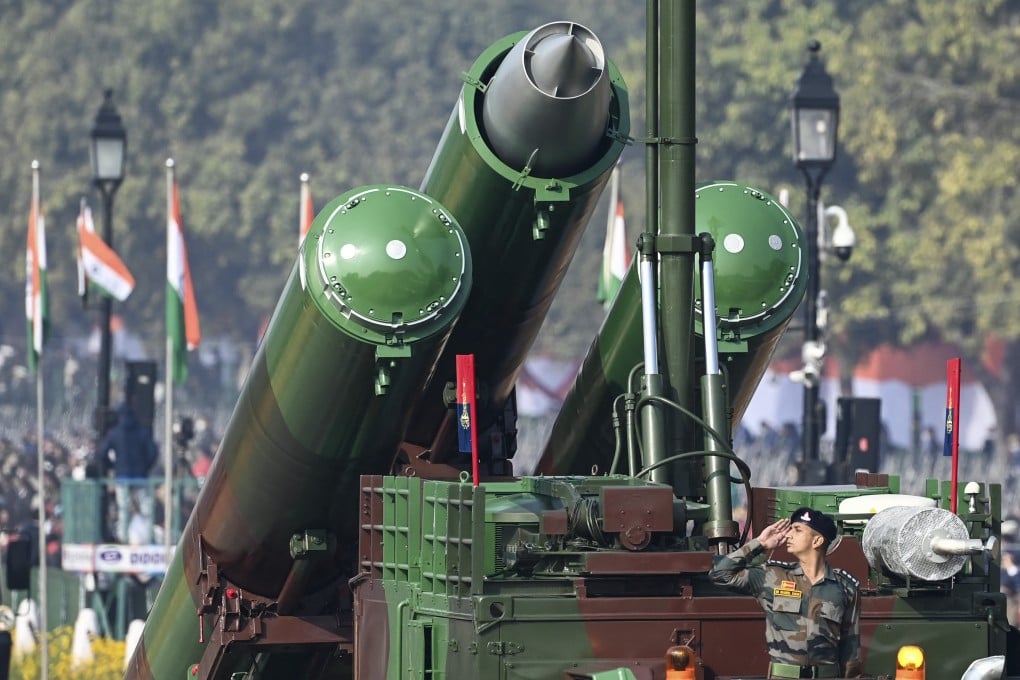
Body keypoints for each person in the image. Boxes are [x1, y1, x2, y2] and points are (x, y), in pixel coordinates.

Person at [709, 507, 861, 678]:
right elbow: (720, 574)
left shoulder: (845, 588)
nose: (788, 535)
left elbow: (851, 651)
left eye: (797, 530)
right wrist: (760, 543)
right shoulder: (773, 576)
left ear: (817, 541)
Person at [96, 402, 159, 543]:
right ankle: (149, 538)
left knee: (123, 509)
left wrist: (113, 466)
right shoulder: (142, 431)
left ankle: (123, 539)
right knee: (146, 508)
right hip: (140, 477)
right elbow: (153, 452)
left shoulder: (115, 433)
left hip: (122, 476)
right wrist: (145, 467)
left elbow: (102, 452)